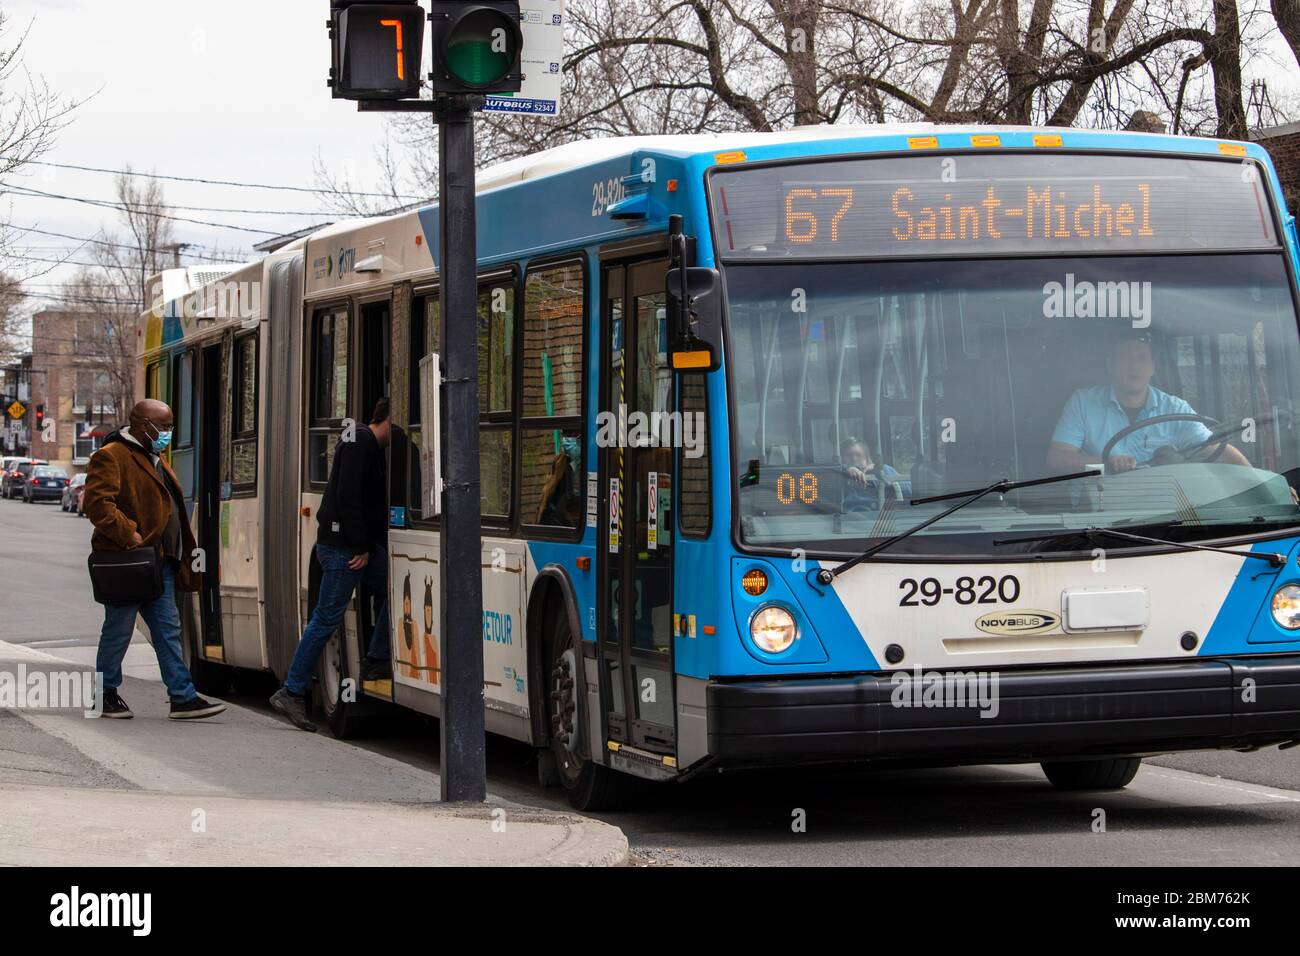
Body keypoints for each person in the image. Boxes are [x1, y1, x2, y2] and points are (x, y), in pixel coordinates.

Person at [82, 400, 226, 720]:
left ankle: (182, 696)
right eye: (164, 427)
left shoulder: (154, 456)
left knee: (168, 630)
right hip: (129, 561)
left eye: (170, 426)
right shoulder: (112, 456)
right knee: (118, 630)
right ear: (143, 424)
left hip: (159, 563)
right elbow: (96, 504)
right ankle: (104, 695)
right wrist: (129, 534)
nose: (168, 433)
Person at [270, 398, 394, 732]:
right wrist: (361, 546)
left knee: (391, 587)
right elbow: (347, 495)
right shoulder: (363, 441)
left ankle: (378, 658)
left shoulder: (361, 440)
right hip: (343, 549)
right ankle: (292, 689)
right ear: (389, 419)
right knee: (325, 620)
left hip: (345, 546)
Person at [1047, 331, 1250, 474]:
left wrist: (1258, 483)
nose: (1134, 365)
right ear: (1111, 365)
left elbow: (1215, 450)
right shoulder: (1082, 403)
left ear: (1153, 367)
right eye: (1126, 357)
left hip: (1166, 515)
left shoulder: (1175, 409)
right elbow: (1058, 459)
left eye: (1141, 358)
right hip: (1097, 518)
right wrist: (1106, 463)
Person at [839, 438, 901, 511]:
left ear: (867, 458)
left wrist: (878, 470)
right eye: (849, 455)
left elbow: (910, 490)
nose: (854, 459)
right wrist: (844, 469)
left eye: (858, 455)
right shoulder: (837, 477)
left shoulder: (882, 470)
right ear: (841, 458)